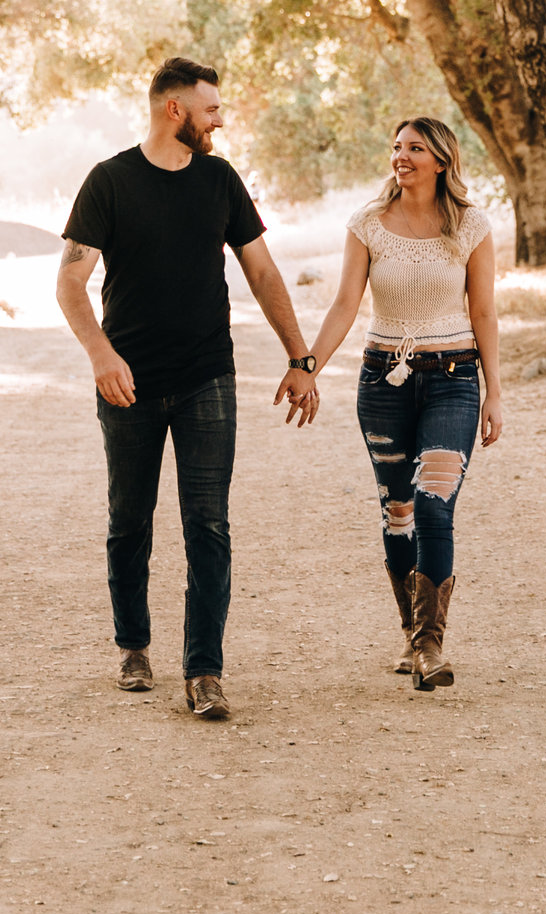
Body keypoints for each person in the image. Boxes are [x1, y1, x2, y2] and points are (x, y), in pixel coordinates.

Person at [57, 58, 319, 722]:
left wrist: (300, 356)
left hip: (208, 378)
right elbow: (70, 281)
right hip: (130, 383)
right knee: (130, 520)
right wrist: (99, 352)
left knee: (208, 523)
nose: (220, 120)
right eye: (211, 110)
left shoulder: (220, 179)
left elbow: (260, 271)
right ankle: (133, 648)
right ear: (175, 110)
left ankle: (204, 671)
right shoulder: (109, 182)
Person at [300, 117, 503, 690]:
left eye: (414, 148)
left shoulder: (470, 226)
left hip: (453, 379)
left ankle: (430, 646)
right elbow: (344, 304)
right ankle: (413, 637)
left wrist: (495, 392)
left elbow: (484, 313)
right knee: (398, 510)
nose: (401, 157)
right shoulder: (368, 224)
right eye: (396, 147)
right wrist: (307, 365)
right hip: (381, 381)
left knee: (435, 504)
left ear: (441, 160)